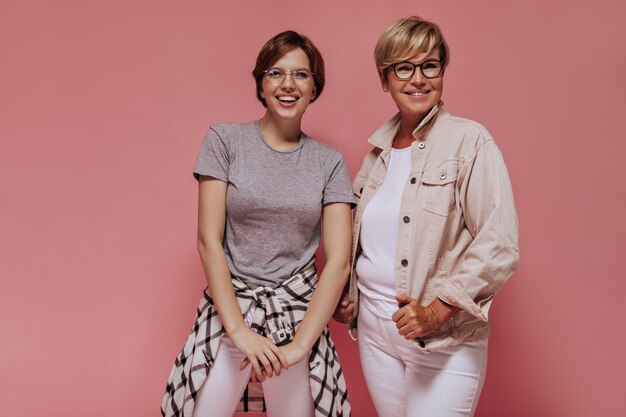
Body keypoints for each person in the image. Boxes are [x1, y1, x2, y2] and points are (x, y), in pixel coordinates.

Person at [333, 16, 519, 417]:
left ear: (442, 71)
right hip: (376, 333)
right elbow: (365, 242)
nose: (418, 78)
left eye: (429, 65)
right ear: (385, 79)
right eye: (403, 67)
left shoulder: (470, 141)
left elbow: (499, 244)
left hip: (443, 341)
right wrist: (346, 297)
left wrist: (436, 312)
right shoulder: (376, 156)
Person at [162, 31, 353, 417]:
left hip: (297, 317)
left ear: (315, 87)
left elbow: (338, 262)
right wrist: (238, 332)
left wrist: (300, 346)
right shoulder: (225, 141)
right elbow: (208, 241)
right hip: (230, 307)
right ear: (260, 84)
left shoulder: (329, 162)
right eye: (275, 73)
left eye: (301, 75)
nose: (287, 85)